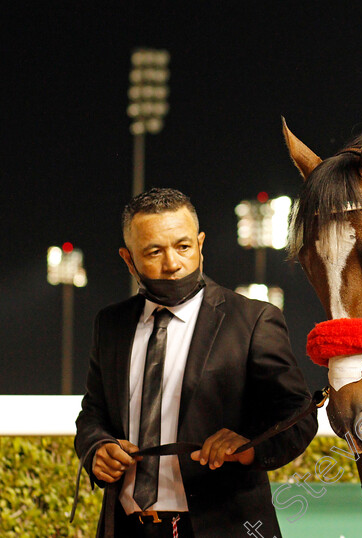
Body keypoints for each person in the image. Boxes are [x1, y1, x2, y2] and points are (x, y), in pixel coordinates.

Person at [75, 188, 317, 537]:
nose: (172, 263)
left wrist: (247, 446)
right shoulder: (110, 324)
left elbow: (298, 416)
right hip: (125, 528)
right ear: (129, 260)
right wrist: (96, 447)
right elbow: (93, 413)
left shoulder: (253, 320)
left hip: (225, 527)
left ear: (201, 244)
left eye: (183, 246)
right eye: (154, 251)